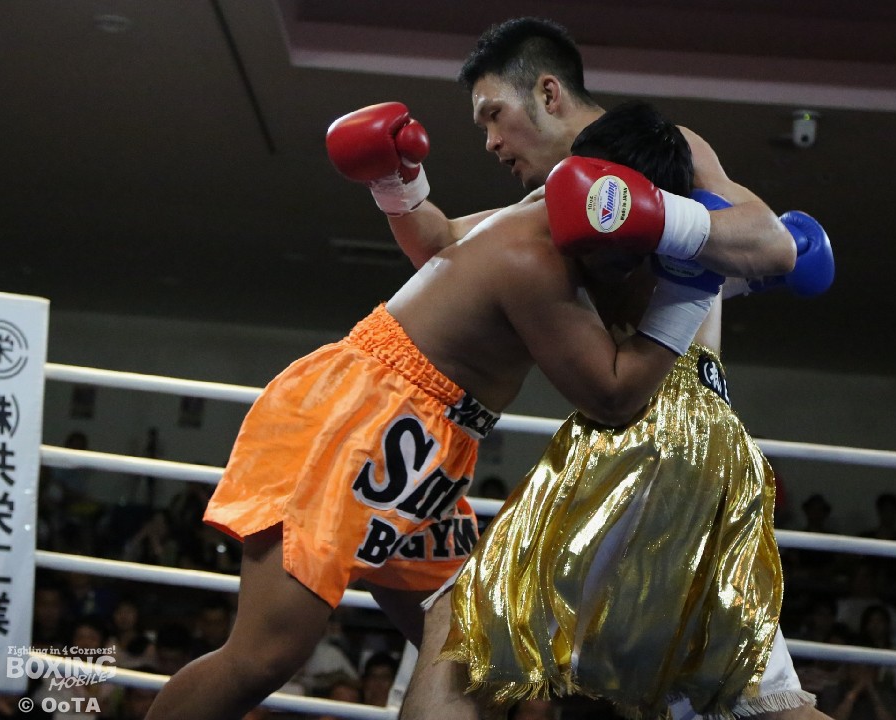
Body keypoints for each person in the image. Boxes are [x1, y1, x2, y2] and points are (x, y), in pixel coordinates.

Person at [144, 86, 745, 720]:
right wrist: (693, 288)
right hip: (357, 418)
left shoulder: (559, 227)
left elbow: (440, 238)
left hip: (433, 444)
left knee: (482, 659)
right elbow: (614, 395)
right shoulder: (531, 254)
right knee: (266, 654)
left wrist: (397, 183)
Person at [328, 17, 831, 720]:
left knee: (462, 626)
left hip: (649, 429)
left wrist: (654, 219)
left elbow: (776, 246)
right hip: (693, 447)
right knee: (750, 702)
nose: (490, 141)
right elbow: (443, 250)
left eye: (493, 115)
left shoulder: (666, 148)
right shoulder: (544, 203)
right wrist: (397, 184)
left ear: (549, 92)